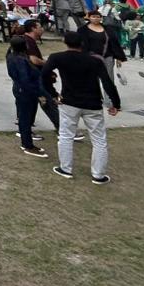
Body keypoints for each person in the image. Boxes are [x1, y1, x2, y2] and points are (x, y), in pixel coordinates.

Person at [40, 29, 121, 184]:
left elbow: (44, 75)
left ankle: (66, 168)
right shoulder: (95, 60)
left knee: (66, 135)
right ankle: (98, 174)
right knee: (99, 140)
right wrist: (115, 103)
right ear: (82, 43)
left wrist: (53, 94)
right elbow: (108, 82)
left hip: (69, 101)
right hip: (93, 103)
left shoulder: (57, 57)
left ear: (65, 42)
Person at [7, 37, 48, 158]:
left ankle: (26, 141)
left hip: (20, 89)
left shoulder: (12, 56)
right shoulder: (21, 60)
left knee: (24, 116)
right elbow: (25, 79)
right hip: (25, 91)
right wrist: (39, 93)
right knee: (25, 117)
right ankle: (27, 144)